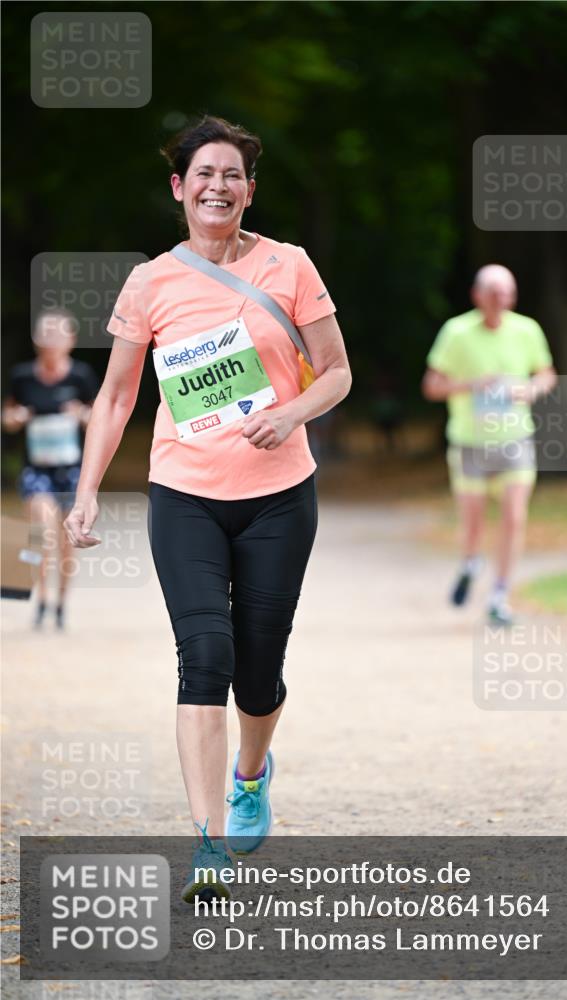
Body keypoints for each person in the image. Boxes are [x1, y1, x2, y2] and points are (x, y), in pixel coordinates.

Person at [63, 115, 352, 901]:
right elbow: (118, 394)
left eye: (232, 175)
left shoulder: (289, 266)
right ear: (178, 189)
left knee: (258, 674)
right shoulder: (151, 282)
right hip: (184, 494)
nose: (217, 186)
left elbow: (335, 372)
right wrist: (86, 492)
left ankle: (251, 772)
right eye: (204, 175)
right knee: (205, 655)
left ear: (249, 190)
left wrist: (291, 415)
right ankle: (206, 842)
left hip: (279, 498)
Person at [422, 264, 557, 626]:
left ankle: (500, 594)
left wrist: (530, 389)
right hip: (469, 443)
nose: (502, 300)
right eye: (495, 293)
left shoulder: (527, 330)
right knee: (473, 523)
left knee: (514, 517)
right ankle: (470, 562)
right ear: (477, 295)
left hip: (515, 440)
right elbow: (432, 386)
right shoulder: (457, 331)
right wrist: (471, 386)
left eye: (508, 293)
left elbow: (546, 373)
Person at [2, 308, 98, 629]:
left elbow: (98, 419)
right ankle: (41, 599)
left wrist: (81, 415)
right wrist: (15, 419)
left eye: (57, 335)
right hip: (37, 469)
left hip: (71, 470)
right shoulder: (22, 376)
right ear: (36, 341)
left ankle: (60, 605)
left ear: (70, 340)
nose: (50, 342)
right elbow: (8, 416)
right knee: (42, 533)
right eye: (45, 335)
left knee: (66, 541)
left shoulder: (81, 376)